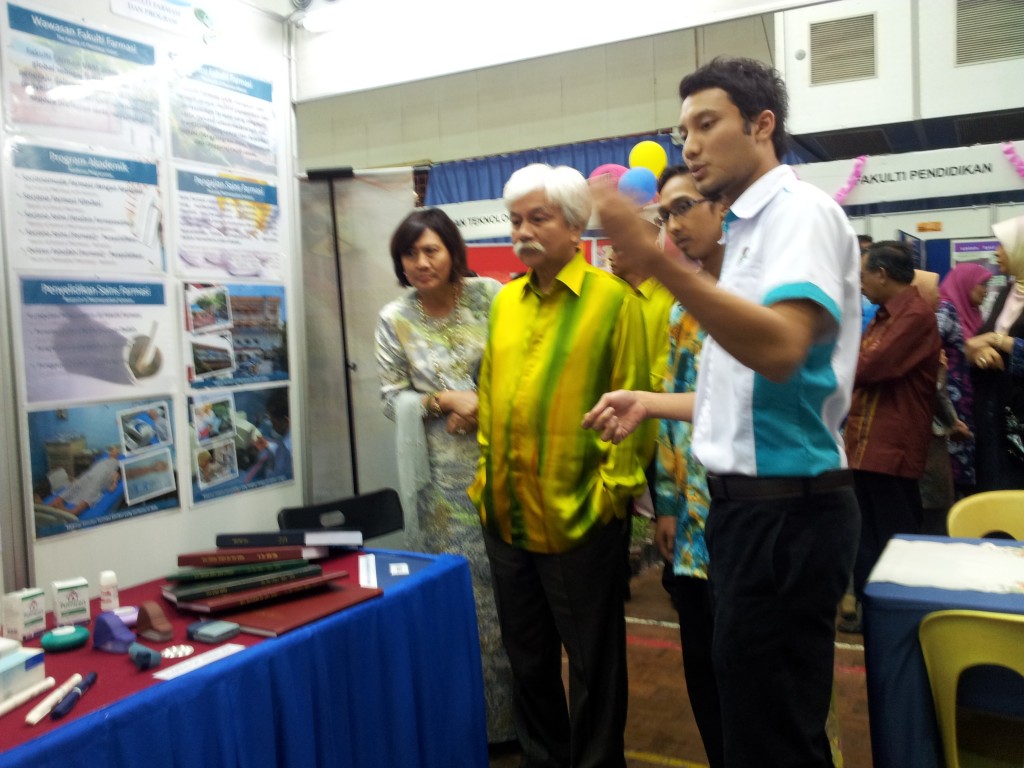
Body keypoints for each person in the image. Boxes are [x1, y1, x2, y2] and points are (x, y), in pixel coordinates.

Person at [585, 56, 861, 767]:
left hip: (786, 513)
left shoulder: (799, 213)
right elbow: (740, 392)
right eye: (683, 132)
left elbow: (781, 350)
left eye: (707, 124)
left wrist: (657, 261)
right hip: (750, 513)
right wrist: (650, 402)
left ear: (762, 125)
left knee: (774, 737)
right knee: (752, 724)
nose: (691, 146)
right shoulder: (745, 233)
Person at [468, 163, 648, 768]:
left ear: (574, 226)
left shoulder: (613, 301)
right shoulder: (505, 303)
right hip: (506, 513)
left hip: (580, 517)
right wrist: (486, 477)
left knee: (595, 664)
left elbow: (635, 403)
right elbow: (490, 393)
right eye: (515, 220)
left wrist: (609, 495)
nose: (522, 231)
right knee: (528, 659)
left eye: (537, 218)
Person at [373, 208, 514, 745]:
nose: (421, 262)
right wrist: (441, 401)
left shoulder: (491, 298)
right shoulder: (394, 318)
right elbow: (392, 398)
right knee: (460, 602)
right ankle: (470, 726)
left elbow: (519, 369)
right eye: (410, 254)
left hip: (503, 468)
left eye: (431, 250)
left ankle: (522, 724)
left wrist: (480, 406)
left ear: (453, 251)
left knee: (513, 598)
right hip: (438, 488)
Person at [650, 165, 727, 768]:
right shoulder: (683, 313)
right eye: (664, 214)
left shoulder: (761, 298)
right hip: (695, 527)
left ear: (723, 208)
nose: (672, 224)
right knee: (703, 664)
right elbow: (674, 418)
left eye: (684, 207)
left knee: (762, 675)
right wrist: (669, 508)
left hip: (757, 515)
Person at [842, 242, 941, 631]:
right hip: (866, 447)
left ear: (882, 275)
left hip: (891, 451)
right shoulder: (885, 315)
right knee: (865, 538)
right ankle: (873, 615)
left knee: (894, 542)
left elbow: (868, 366)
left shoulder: (914, 316)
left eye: (863, 275)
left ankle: (899, 624)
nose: (859, 283)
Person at [966, 214, 1024, 491]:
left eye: (1004, 245)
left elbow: (994, 339)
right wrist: (977, 352)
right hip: (994, 415)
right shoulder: (1007, 293)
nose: (997, 253)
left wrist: (997, 340)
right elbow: (978, 343)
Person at [936, 263, 993, 494]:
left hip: (966, 402)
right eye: (982, 284)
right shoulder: (945, 310)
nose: (986, 291)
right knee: (953, 476)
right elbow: (928, 349)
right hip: (949, 405)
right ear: (966, 284)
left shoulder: (973, 313)